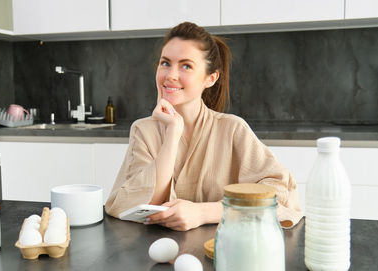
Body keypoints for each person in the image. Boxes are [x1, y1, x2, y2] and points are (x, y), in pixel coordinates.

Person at [105, 22, 303, 231]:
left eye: (186, 65)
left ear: (211, 78)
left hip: (224, 247)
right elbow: (140, 204)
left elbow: (280, 195)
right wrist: (173, 133)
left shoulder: (232, 129)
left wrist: (203, 212)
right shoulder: (143, 130)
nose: (171, 75)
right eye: (165, 63)